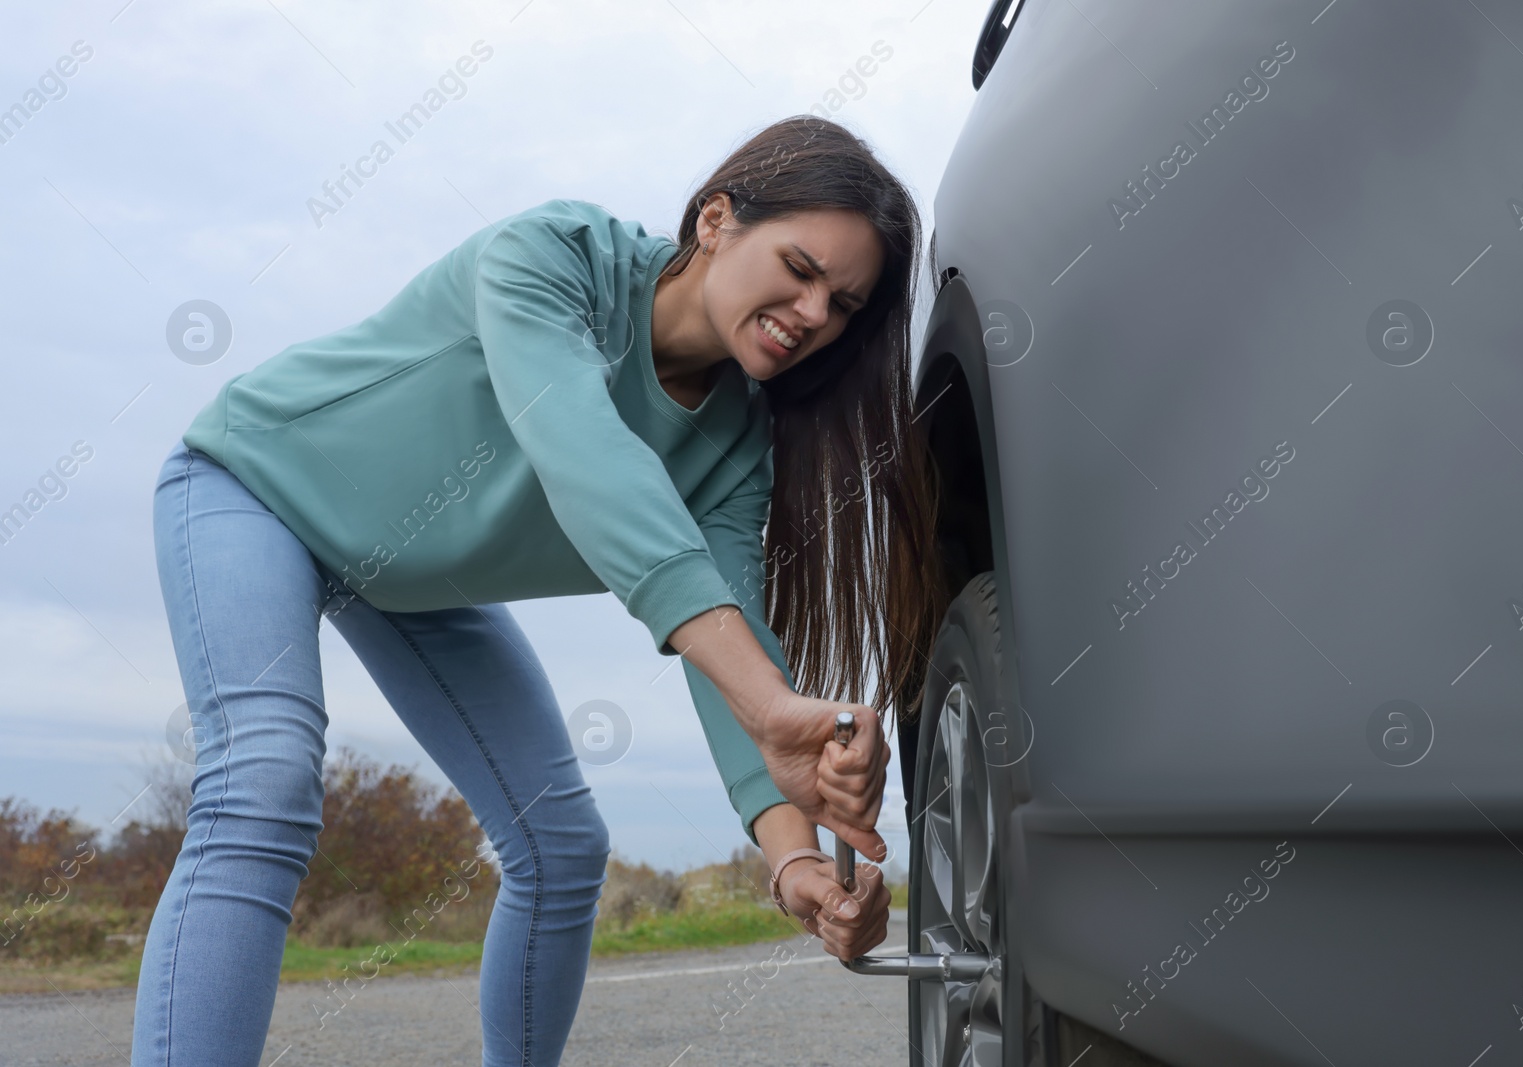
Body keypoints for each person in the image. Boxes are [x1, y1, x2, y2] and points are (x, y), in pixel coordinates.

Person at [133, 113, 946, 1066]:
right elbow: (589, 458)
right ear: (718, 220)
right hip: (253, 484)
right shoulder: (554, 258)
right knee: (264, 782)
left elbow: (732, 650)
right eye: (801, 269)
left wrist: (795, 859)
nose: (814, 314)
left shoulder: (736, 443)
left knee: (562, 848)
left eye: (844, 304)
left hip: (408, 581)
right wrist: (773, 704)